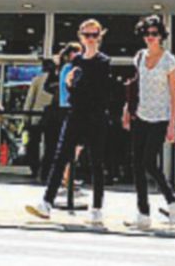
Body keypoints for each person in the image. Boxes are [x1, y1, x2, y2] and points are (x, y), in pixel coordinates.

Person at [26, 19, 111, 226]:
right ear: (80, 36)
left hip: (95, 116)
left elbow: (98, 91)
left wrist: (76, 85)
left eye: (94, 35)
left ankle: (97, 208)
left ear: (99, 36)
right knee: (60, 157)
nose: (90, 39)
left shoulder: (103, 61)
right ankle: (46, 202)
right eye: (86, 35)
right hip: (75, 114)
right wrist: (69, 84)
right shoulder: (77, 62)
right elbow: (74, 91)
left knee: (96, 162)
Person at [123, 15, 175, 228]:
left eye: (154, 34)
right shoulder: (139, 57)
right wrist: (127, 110)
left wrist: (172, 124)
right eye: (146, 34)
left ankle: (171, 200)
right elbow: (135, 86)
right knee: (136, 164)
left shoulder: (169, 60)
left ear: (161, 36)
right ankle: (143, 212)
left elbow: (174, 94)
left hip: (160, 117)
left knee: (148, 161)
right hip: (140, 115)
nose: (150, 37)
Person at [39, 43, 81, 184]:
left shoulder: (62, 69)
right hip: (61, 111)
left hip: (58, 110)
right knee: (61, 146)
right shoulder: (67, 69)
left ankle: (61, 176)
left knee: (60, 147)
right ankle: (61, 176)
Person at [24, 59, 56, 180]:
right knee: (50, 145)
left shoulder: (37, 80)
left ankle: (34, 168)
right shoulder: (57, 80)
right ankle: (46, 170)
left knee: (33, 144)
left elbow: (30, 99)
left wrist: (26, 116)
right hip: (52, 117)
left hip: (36, 115)